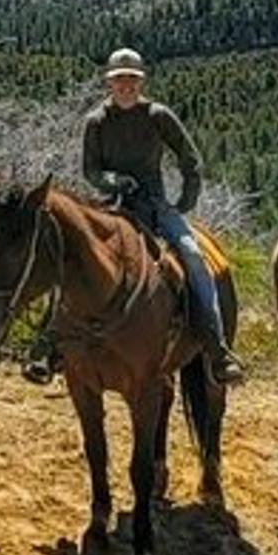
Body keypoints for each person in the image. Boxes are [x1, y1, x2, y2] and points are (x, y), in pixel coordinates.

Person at [78, 47, 244, 385]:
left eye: (132, 79)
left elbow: (189, 157)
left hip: (154, 203)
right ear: (109, 83)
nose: (126, 85)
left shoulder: (157, 115)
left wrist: (187, 196)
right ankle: (52, 342)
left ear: (141, 82)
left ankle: (215, 345)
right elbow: (90, 169)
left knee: (194, 257)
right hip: (113, 204)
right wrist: (112, 180)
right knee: (74, 254)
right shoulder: (96, 122)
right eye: (119, 79)